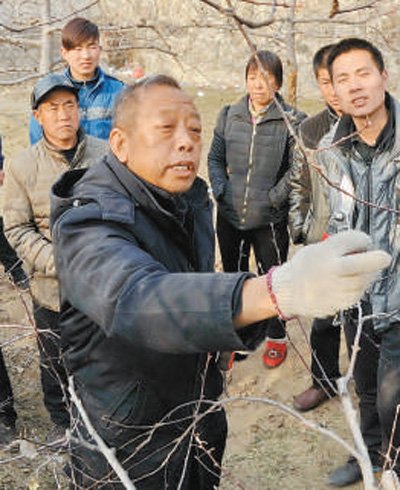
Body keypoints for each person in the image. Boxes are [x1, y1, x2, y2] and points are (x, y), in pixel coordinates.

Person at [49, 75, 389, 489]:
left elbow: (192, 288)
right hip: (128, 448)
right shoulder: (88, 221)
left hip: (196, 422)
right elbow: (137, 300)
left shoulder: (183, 201)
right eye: (166, 129)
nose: (186, 142)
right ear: (120, 144)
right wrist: (275, 291)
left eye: (195, 130)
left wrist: (221, 338)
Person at [3, 74, 106, 441]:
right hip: (51, 290)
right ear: (38, 116)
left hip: (102, 284)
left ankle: (101, 425)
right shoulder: (22, 167)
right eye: (52, 108)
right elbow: (17, 228)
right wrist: (60, 262)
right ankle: (63, 426)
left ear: (79, 110)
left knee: (103, 360)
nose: (63, 115)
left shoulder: (106, 156)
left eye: (69, 105)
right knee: (55, 361)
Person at [317, 38, 400, 487]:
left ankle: (395, 464)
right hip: (357, 295)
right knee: (365, 386)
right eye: (343, 78)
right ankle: (367, 456)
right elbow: (333, 220)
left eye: (363, 73)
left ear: (383, 76)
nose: (355, 86)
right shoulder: (330, 149)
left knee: (393, 396)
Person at [208, 50, 307, 368]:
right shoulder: (229, 114)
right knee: (235, 277)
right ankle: (240, 337)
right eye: (252, 77)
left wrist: (274, 198)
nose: (258, 85)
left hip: (269, 219)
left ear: (277, 83)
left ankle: (276, 337)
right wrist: (222, 190)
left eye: (266, 78)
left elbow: (298, 169)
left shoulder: (292, 120)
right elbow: (215, 158)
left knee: (273, 278)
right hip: (230, 215)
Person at [290, 44, 344, 412]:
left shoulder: (378, 125)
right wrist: (302, 228)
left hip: (370, 239)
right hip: (324, 238)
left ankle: (376, 385)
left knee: (372, 321)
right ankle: (324, 381)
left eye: (338, 80)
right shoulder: (309, 130)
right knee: (324, 318)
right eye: (325, 82)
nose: (334, 90)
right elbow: (299, 184)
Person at [29, 17, 124, 144]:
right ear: (64, 53)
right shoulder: (48, 92)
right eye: (78, 49)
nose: (86, 56)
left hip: (107, 156)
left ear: (99, 50)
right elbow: (37, 142)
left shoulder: (120, 92)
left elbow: (130, 138)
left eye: (92, 47)